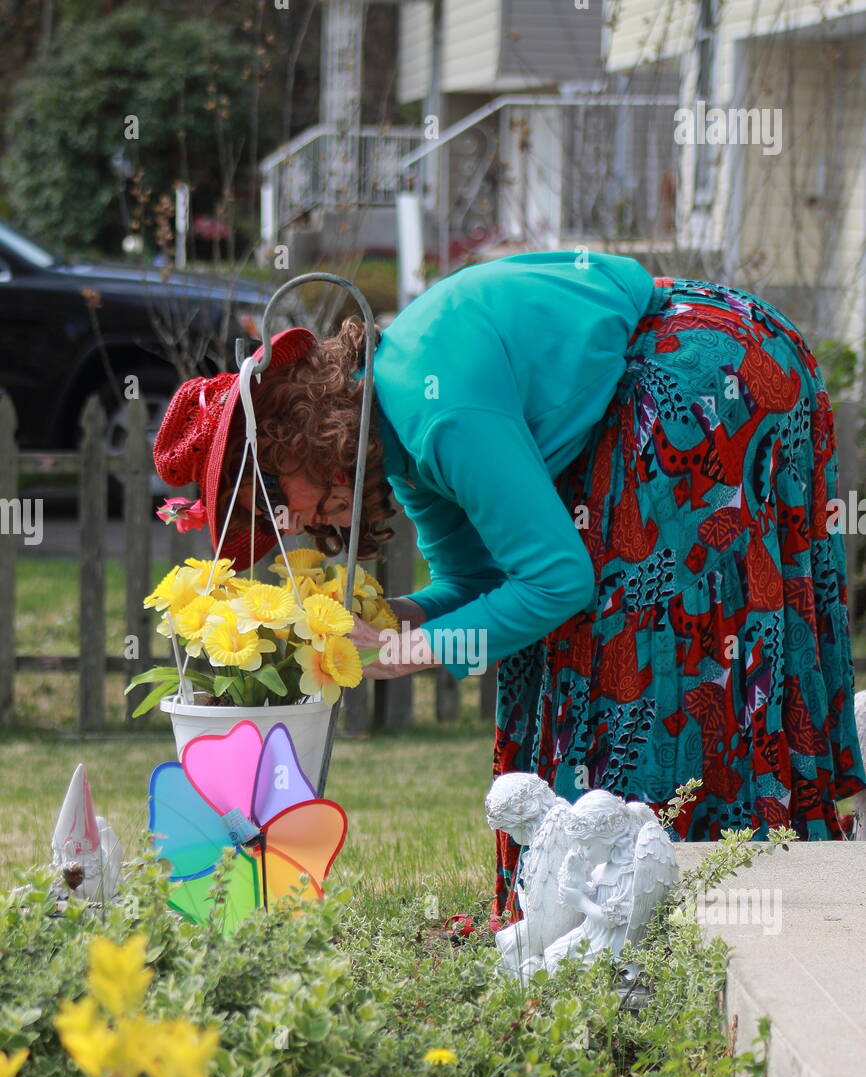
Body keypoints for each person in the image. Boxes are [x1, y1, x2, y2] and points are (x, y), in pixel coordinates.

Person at [152, 250, 866, 916]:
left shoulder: (439, 413)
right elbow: (479, 581)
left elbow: (557, 582)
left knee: (642, 628)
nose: (295, 522)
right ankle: (617, 901)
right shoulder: (401, 434)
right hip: (680, 359)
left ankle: (688, 902)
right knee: (588, 629)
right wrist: (390, 628)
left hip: (707, 367)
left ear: (298, 439)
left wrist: (417, 651)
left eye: (277, 499)